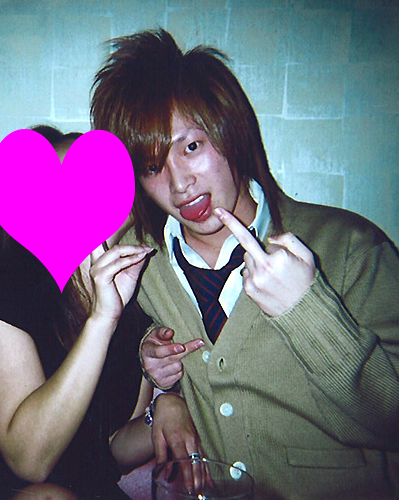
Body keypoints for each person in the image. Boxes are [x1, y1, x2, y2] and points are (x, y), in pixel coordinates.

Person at [91, 29, 399, 499]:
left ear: (231, 132)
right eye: (152, 166)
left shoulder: (350, 248)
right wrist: (164, 388)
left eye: (191, 147)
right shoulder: (142, 266)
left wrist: (307, 311)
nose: (179, 183)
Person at [0, 126, 199, 500]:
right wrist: (101, 321)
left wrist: (163, 409)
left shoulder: (134, 305)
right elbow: (30, 460)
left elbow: (111, 450)